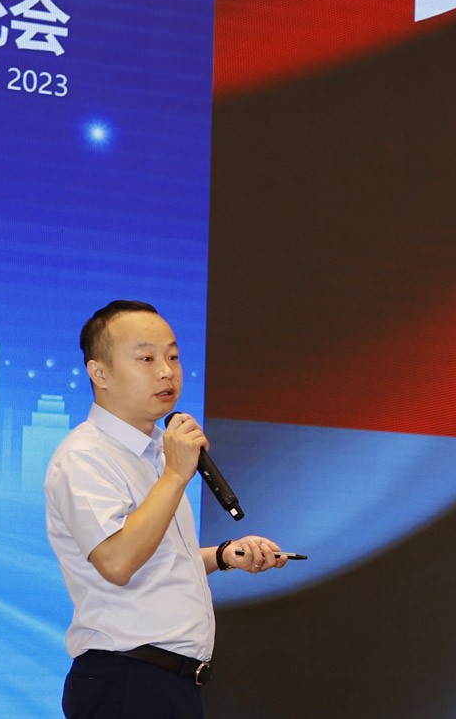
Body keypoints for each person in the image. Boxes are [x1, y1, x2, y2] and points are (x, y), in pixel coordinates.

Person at [45, 300, 289, 718]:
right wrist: (176, 475)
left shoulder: (159, 450)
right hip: (126, 682)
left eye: (173, 357)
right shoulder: (84, 457)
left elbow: (155, 559)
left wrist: (223, 556)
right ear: (99, 373)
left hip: (171, 686)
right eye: (146, 359)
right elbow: (117, 561)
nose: (166, 372)